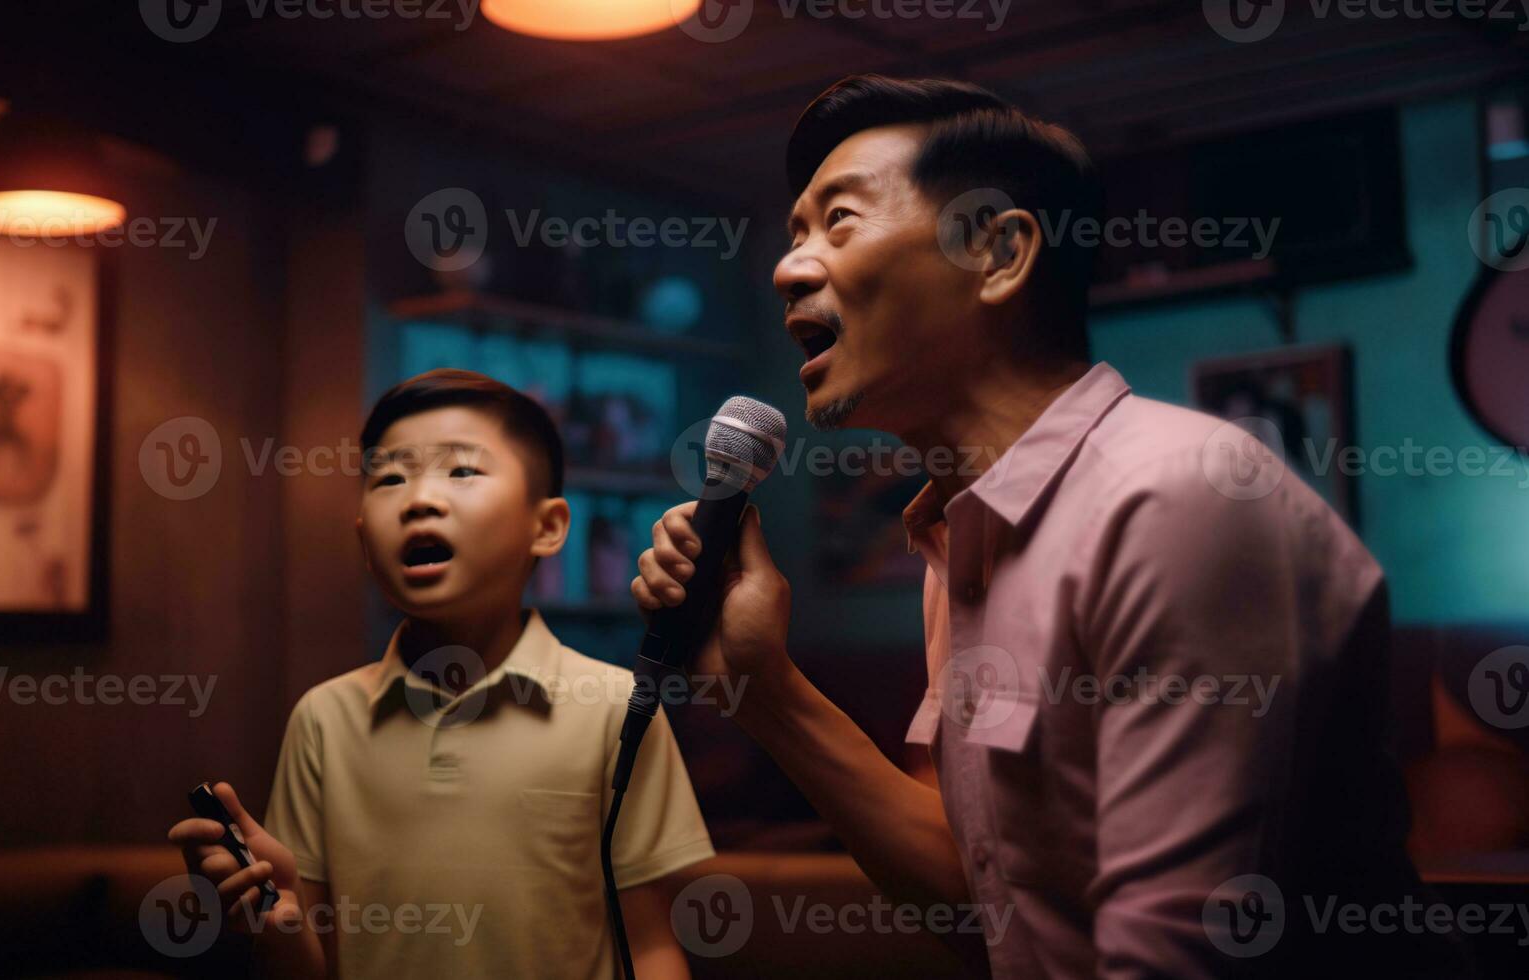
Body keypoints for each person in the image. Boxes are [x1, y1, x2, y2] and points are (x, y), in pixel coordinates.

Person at [631, 75, 1460, 977]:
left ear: (997, 253)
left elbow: (1175, 956)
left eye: (838, 222)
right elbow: (980, 895)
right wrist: (764, 686)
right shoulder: (960, 535)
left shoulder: (1175, 498)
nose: (789, 267)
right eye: (793, 236)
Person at [172, 369, 714, 978]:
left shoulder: (616, 708)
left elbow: (652, 946)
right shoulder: (325, 719)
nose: (419, 499)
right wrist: (279, 916)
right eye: (389, 478)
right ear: (363, 540)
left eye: (462, 471)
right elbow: (304, 964)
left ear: (548, 526)